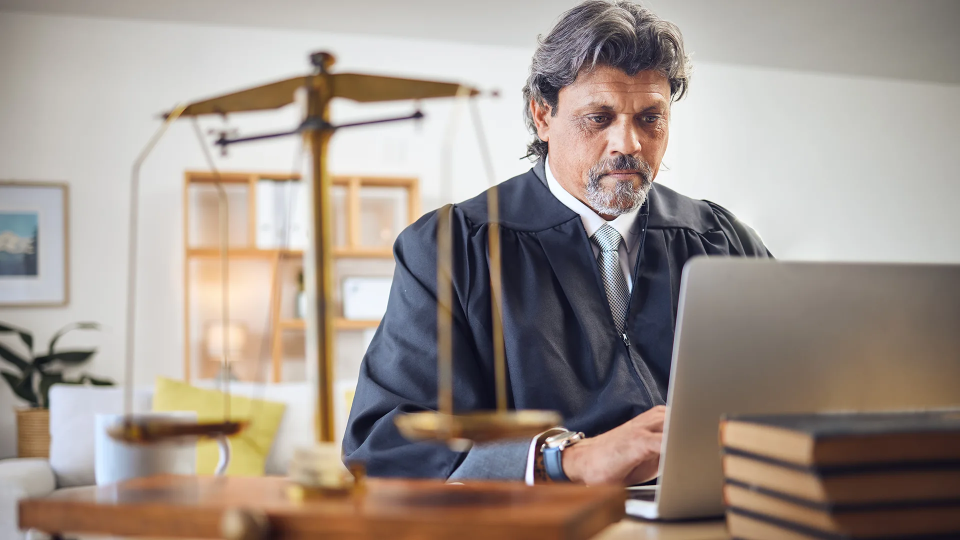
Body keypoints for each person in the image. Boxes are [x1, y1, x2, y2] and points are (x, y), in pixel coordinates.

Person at [343, 0, 771, 485]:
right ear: (542, 116)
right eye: (599, 117)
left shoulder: (722, 239)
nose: (627, 143)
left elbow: (800, 389)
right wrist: (563, 460)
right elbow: (382, 443)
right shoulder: (449, 248)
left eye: (650, 118)